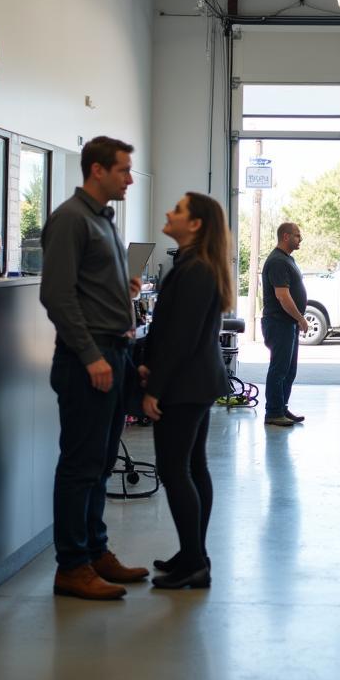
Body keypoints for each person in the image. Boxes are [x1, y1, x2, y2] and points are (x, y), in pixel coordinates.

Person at [39, 136, 148, 601]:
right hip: (89, 360)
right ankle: (72, 566)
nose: (129, 178)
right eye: (123, 170)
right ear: (97, 170)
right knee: (80, 466)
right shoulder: (70, 219)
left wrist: (124, 288)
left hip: (114, 353)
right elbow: (57, 296)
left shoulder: (103, 219)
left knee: (101, 464)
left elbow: (87, 287)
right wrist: (91, 356)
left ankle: (96, 551)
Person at [140, 192, 233, 590]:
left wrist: (154, 387)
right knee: (193, 468)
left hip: (185, 385)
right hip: (196, 381)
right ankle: (193, 551)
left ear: (195, 224)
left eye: (176, 209)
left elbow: (181, 338)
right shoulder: (196, 264)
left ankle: (194, 561)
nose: (168, 211)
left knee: (175, 469)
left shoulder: (195, 269)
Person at [260, 222, 308, 428]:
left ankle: (281, 407)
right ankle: (273, 412)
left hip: (287, 324)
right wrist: (300, 317)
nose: (300, 239)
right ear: (286, 237)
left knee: (289, 370)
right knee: (279, 369)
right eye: (297, 236)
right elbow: (283, 296)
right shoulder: (278, 261)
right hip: (279, 323)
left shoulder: (287, 259)